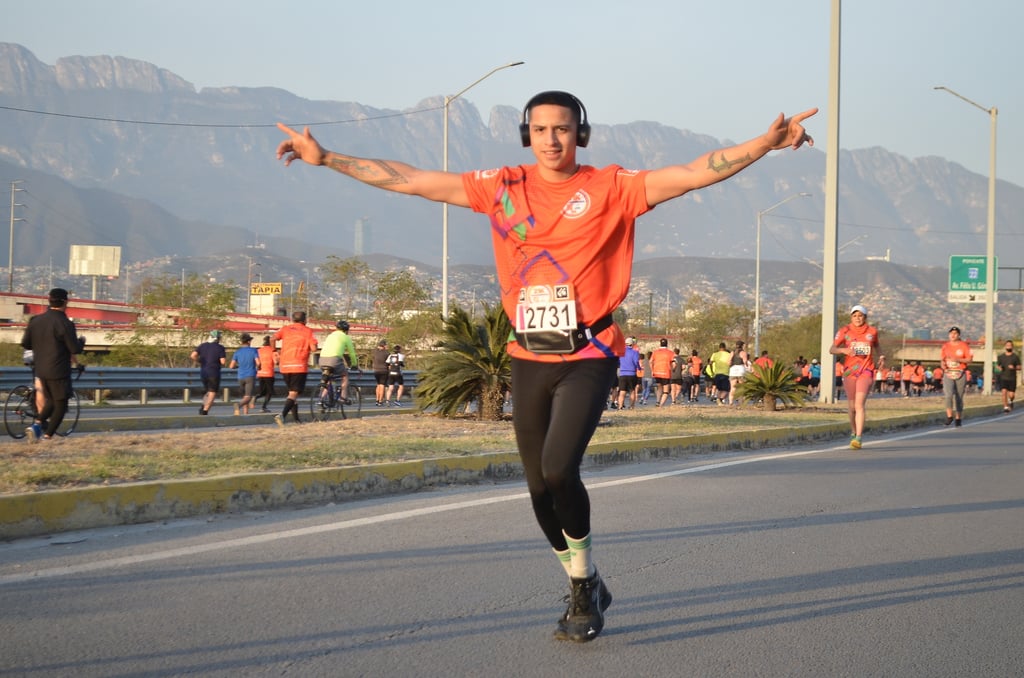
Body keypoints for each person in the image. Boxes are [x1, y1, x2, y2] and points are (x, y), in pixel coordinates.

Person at [276, 89, 815, 643]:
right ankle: (586, 577)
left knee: (560, 469)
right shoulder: (501, 186)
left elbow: (693, 172)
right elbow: (413, 179)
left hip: (590, 351)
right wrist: (329, 158)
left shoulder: (612, 187)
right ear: (526, 136)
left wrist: (764, 144)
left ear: (579, 134)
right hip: (527, 353)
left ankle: (581, 593)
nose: (551, 139)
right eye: (540, 130)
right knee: (537, 488)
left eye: (562, 129)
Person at [20, 287, 83, 442]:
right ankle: (46, 436)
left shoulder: (36, 320)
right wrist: (82, 341)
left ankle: (36, 425)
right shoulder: (64, 323)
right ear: (65, 301)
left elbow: (26, 343)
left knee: (53, 401)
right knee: (60, 404)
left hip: (41, 369)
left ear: (49, 300)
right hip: (59, 370)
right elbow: (74, 348)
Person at [829, 304, 880, 449]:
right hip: (849, 372)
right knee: (851, 407)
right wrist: (844, 350)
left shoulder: (872, 331)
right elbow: (831, 349)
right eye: (855, 315)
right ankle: (853, 430)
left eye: (860, 315)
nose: (858, 318)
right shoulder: (844, 331)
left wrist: (881, 356)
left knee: (859, 404)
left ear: (865, 317)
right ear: (851, 317)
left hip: (866, 370)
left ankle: (858, 437)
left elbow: (876, 346)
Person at [272, 311, 318, 426]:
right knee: (293, 393)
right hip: (299, 366)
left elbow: (272, 339)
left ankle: (296, 420)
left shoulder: (285, 329)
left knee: (292, 394)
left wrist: (274, 352)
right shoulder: (308, 331)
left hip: (285, 366)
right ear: (304, 320)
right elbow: (313, 348)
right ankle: (282, 415)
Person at [319, 319, 359, 404]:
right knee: (345, 376)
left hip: (322, 359)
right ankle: (343, 397)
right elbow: (352, 353)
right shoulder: (346, 337)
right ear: (346, 330)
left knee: (329, 379)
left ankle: (321, 400)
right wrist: (354, 364)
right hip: (334, 360)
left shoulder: (330, 335)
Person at [940, 326, 973, 426]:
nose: (953, 335)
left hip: (960, 373)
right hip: (948, 373)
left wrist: (958, 360)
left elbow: (969, 359)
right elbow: (942, 359)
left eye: (955, 333)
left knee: (959, 397)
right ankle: (949, 416)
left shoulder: (964, 346)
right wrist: (944, 367)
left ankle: (958, 417)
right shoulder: (945, 346)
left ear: (959, 335)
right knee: (948, 395)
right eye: (951, 333)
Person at [191, 330, 226, 415]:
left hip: (203, 372)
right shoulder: (220, 347)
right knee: (212, 392)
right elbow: (223, 362)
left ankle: (204, 405)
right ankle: (205, 410)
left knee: (208, 391)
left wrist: (200, 361)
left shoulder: (202, 346)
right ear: (217, 338)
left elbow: (192, 355)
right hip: (214, 372)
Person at [229, 333, 260, 415]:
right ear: (249, 341)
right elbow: (258, 363)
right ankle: (238, 405)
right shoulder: (253, 350)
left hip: (240, 376)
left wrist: (238, 366)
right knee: (248, 396)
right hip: (250, 375)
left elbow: (231, 366)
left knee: (244, 396)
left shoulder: (237, 352)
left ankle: (245, 413)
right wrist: (258, 368)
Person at [616, 337, 641, 410]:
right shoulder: (635, 352)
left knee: (622, 391)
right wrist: (639, 368)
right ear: (632, 344)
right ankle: (631, 406)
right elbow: (636, 362)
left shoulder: (621, 352)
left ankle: (620, 406)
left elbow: (618, 362)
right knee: (632, 391)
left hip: (623, 374)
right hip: (632, 374)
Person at [650, 338, 675, 407]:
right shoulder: (671, 353)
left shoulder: (655, 352)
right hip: (666, 373)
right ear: (667, 344)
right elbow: (674, 364)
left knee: (659, 387)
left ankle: (657, 401)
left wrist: (652, 370)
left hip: (657, 372)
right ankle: (661, 404)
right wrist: (673, 369)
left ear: (660, 343)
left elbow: (651, 362)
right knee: (666, 391)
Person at [996, 340, 1020, 413]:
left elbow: (1020, 367)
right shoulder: (1001, 357)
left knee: (1011, 395)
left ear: (1012, 347)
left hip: (1012, 378)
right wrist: (999, 368)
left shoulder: (1015, 357)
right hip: (1003, 377)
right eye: (1007, 345)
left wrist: (1014, 368)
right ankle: (1005, 407)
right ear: (1005, 346)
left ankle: (1011, 401)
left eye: (1010, 345)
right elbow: (997, 365)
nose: (1008, 347)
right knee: (1003, 392)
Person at [256, 335, 277, 413]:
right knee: (269, 392)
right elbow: (276, 362)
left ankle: (255, 397)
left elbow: (256, 361)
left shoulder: (259, 350)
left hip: (260, 373)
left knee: (262, 392)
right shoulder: (272, 350)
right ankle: (264, 407)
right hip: (269, 373)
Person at [727, 340, 749, 405]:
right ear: (742, 346)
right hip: (741, 370)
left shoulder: (732, 352)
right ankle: (741, 401)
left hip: (733, 370)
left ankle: (731, 402)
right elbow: (745, 362)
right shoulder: (743, 353)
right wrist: (747, 365)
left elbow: (728, 362)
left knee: (732, 387)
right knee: (742, 387)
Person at [371, 339, 390, 407]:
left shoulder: (374, 352)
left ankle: (376, 400)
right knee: (382, 385)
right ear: (384, 346)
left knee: (378, 385)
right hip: (384, 370)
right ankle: (380, 401)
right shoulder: (387, 353)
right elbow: (389, 363)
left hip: (376, 370)